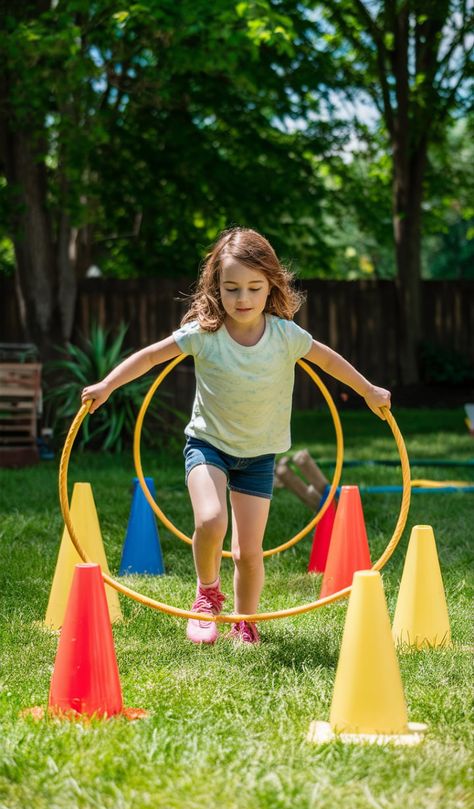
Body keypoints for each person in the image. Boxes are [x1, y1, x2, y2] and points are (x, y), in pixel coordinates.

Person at [81, 227, 391, 646]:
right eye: (231, 288)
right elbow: (151, 356)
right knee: (210, 519)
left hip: (259, 456)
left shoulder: (286, 337)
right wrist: (107, 386)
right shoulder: (204, 335)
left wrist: (369, 391)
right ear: (216, 288)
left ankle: (246, 621)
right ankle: (207, 593)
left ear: (271, 287)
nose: (242, 298)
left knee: (249, 552)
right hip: (208, 446)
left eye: (253, 288)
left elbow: (331, 362)